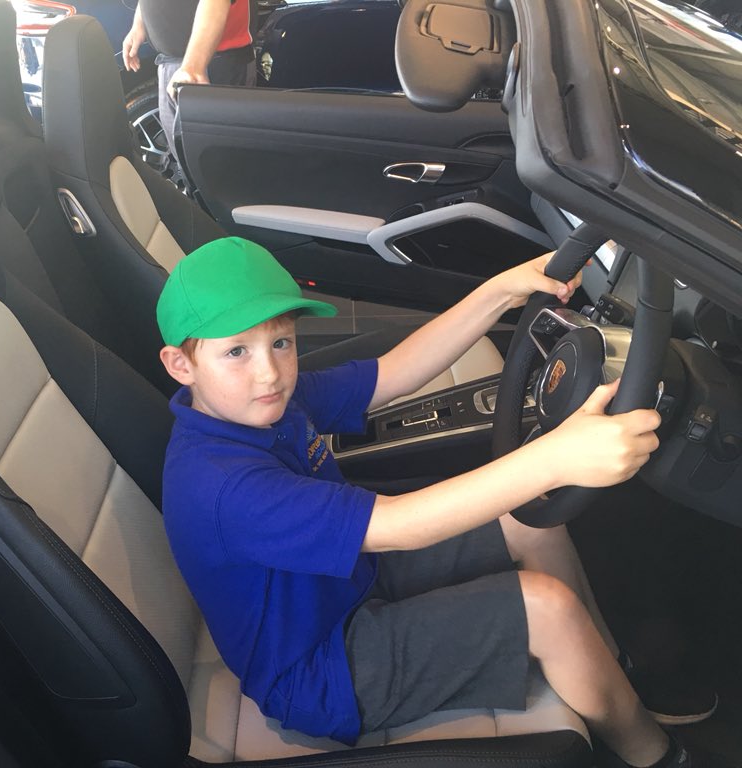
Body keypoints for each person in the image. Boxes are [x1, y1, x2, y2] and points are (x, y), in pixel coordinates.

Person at [155, 236, 715, 767]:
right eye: (236, 352)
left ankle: (610, 673)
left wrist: (502, 290)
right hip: (321, 668)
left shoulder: (261, 404)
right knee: (547, 609)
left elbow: (394, 372)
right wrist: (556, 456)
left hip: (347, 579)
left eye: (281, 341)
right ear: (182, 366)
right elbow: (396, 525)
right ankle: (659, 755)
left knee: (528, 518)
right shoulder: (223, 485)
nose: (270, 372)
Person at [123, 0, 255, 175]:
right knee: (189, 167)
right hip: (175, 64)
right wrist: (139, 24)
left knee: (222, 172)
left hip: (212, 64)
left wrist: (193, 66)